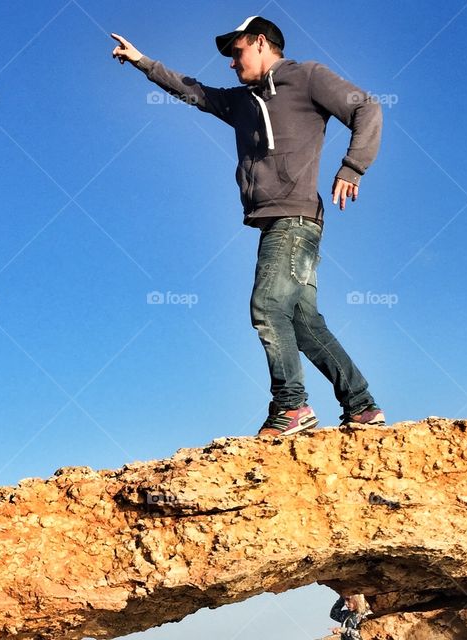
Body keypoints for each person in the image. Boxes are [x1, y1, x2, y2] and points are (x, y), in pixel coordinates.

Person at [111, 16, 385, 435]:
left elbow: (367, 107)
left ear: (260, 42)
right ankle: (361, 406)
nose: (231, 62)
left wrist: (353, 167)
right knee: (303, 322)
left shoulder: (306, 76)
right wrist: (142, 61)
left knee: (267, 307)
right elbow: (192, 91)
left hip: (295, 219)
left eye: (236, 52)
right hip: (278, 222)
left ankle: (292, 406)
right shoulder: (241, 101)